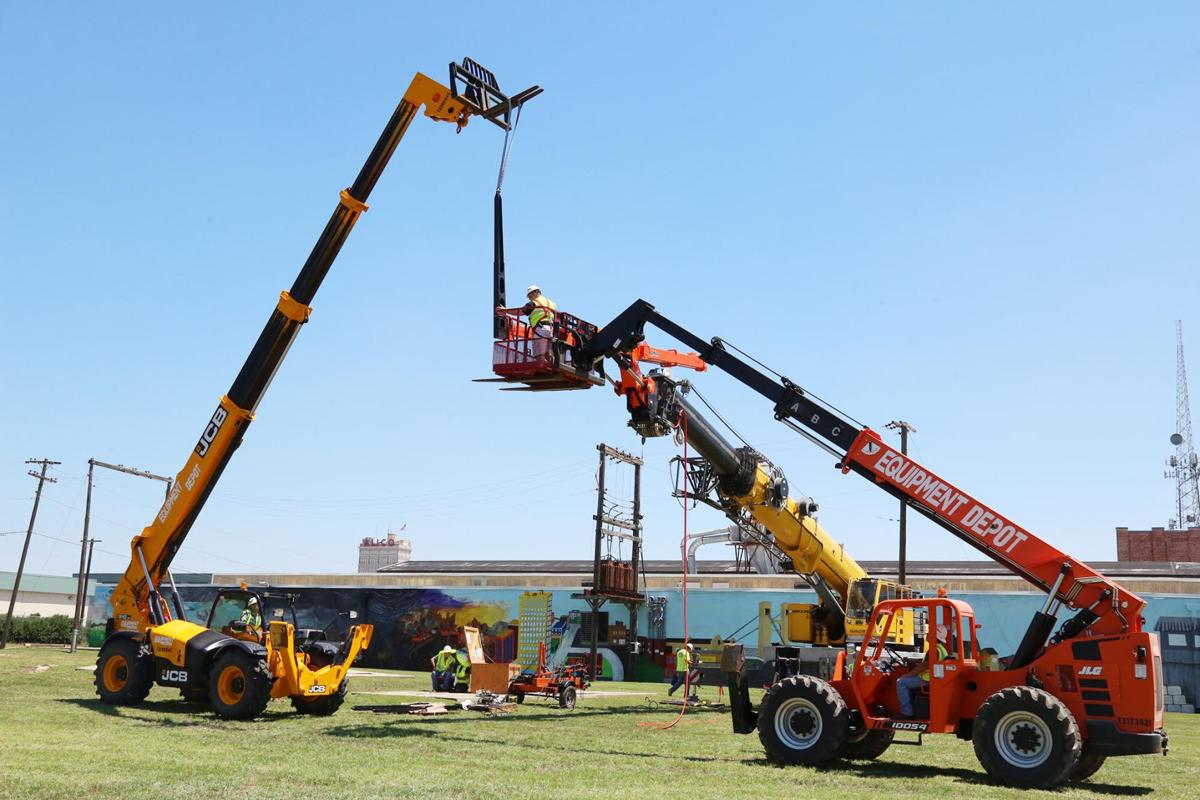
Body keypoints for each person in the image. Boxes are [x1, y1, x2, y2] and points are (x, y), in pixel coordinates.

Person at [895, 624, 951, 719]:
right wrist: (913, 662)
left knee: (901, 682)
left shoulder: (934, 650)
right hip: (934, 678)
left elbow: (925, 665)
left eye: (929, 633)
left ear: (935, 636)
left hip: (927, 679)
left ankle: (907, 713)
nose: (927, 634)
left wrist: (909, 674)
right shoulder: (941, 649)